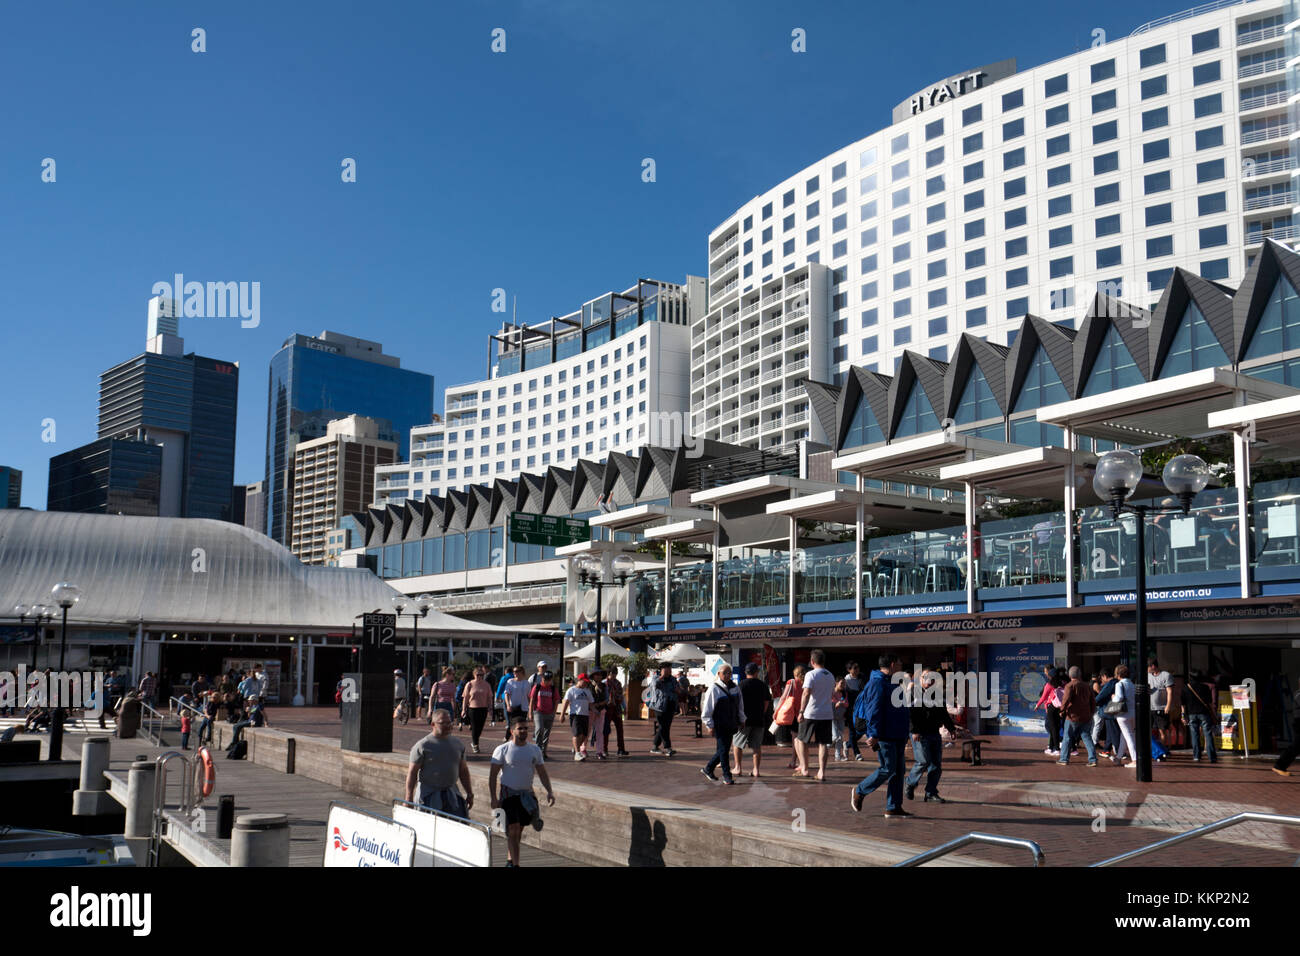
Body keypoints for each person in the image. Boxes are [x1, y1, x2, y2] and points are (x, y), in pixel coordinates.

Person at [850, 654, 912, 818]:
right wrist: (874, 734)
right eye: (900, 662)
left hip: (897, 734)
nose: (901, 666)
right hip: (885, 735)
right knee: (887, 768)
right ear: (892, 664)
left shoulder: (892, 682)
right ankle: (860, 790)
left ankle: (893, 807)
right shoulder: (877, 683)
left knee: (898, 772)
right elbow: (874, 710)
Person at [489, 718, 555, 867]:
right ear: (512, 731)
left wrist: (549, 791)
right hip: (508, 795)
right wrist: (493, 797)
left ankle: (509, 861)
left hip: (527, 796)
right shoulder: (502, 749)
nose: (524, 731)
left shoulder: (534, 750)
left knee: (518, 831)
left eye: (526, 728)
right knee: (512, 829)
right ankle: (516, 865)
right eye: (520, 728)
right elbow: (493, 775)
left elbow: (542, 773)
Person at [404, 709, 473, 818]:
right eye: (443, 723)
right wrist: (408, 798)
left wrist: (469, 793)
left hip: (452, 794)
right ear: (433, 724)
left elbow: (463, 771)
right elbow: (412, 773)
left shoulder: (457, 744)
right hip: (429, 796)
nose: (447, 725)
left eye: (449, 722)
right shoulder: (422, 746)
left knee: (458, 827)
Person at [905, 669, 956, 802]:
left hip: (934, 732)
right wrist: (914, 730)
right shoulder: (913, 694)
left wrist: (951, 729)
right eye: (925, 677)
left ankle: (931, 792)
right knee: (923, 761)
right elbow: (908, 714)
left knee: (936, 765)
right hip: (919, 733)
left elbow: (943, 713)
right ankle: (910, 783)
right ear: (920, 679)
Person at [701, 664, 745, 784]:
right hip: (719, 724)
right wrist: (709, 725)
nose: (727, 675)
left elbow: (740, 705)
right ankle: (727, 776)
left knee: (722, 749)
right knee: (724, 750)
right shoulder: (714, 688)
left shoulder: (735, 688)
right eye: (724, 673)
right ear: (719, 674)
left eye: (729, 673)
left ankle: (708, 768)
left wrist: (742, 719)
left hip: (731, 724)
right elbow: (707, 709)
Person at [795, 649, 835, 781]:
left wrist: (801, 711)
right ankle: (822, 772)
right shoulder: (830, 675)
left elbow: (806, 693)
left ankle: (804, 768)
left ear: (812, 662)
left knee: (802, 740)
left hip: (810, 713)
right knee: (823, 743)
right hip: (826, 713)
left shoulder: (811, 675)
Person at [731, 662, 772, 777]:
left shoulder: (741, 685)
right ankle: (756, 770)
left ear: (745, 672)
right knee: (756, 746)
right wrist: (761, 713)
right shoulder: (763, 685)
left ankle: (738, 768)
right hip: (759, 719)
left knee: (737, 744)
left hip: (744, 720)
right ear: (757, 672)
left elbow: (736, 703)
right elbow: (767, 702)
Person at [1057, 666, 1098, 767]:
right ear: (1079, 674)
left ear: (1069, 675)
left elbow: (1066, 700)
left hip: (1072, 717)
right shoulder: (1087, 686)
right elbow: (1093, 701)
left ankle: (1064, 759)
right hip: (1086, 716)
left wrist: (1061, 711)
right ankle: (1093, 759)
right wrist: (1091, 712)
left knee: (1067, 738)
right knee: (1087, 737)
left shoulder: (1069, 686)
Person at [1181, 669, 1219, 764]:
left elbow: (1183, 704)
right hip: (1204, 714)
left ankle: (1197, 756)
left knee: (1194, 735)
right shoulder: (1205, 687)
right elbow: (1209, 703)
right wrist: (1214, 714)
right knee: (1208, 734)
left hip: (1191, 714)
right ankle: (1212, 757)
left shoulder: (1185, 688)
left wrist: (1183, 715)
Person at [772, 665, 805, 766]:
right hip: (804, 713)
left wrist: (776, 711)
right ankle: (796, 761)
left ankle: (798, 762)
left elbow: (783, 697)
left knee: (795, 738)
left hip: (794, 713)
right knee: (801, 738)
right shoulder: (806, 683)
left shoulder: (791, 682)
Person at [1108, 665, 1139, 768]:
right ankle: (1118, 757)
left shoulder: (1119, 684)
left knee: (1129, 736)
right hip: (1133, 713)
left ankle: (1135, 760)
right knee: (1124, 736)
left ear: (1118, 674)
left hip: (1123, 714)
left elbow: (1119, 698)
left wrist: (1113, 697)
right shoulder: (1132, 684)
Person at [644, 664, 678, 756]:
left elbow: (676, 688)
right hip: (659, 706)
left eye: (670, 670)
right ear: (661, 670)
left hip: (670, 705)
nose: (669, 672)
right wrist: (662, 676)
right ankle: (668, 748)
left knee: (665, 726)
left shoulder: (673, 679)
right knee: (663, 726)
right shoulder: (655, 678)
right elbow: (654, 686)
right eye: (667, 670)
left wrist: (678, 690)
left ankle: (655, 746)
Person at [560, 674, 594, 761]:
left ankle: (576, 747)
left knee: (584, 735)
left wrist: (595, 711)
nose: (586, 684)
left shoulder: (587, 691)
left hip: (585, 715)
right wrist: (562, 714)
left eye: (587, 682)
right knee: (577, 733)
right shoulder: (571, 690)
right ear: (580, 680)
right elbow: (566, 702)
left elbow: (591, 703)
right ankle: (577, 753)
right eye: (585, 682)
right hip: (575, 715)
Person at [1034, 666, 1065, 756]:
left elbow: (1043, 697)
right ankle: (1051, 748)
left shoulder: (1049, 685)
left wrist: (1037, 705)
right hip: (1060, 707)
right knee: (1055, 727)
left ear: (1050, 676)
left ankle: (1056, 749)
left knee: (1053, 728)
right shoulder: (1063, 683)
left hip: (1052, 707)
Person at [461, 667, 493, 754]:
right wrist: (463, 709)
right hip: (473, 708)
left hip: (483, 708)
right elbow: (465, 698)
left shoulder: (486, 685)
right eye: (478, 675)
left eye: (482, 675)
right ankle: (475, 744)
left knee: (480, 727)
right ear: (474, 675)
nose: (480, 676)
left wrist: (490, 708)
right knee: (474, 727)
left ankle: (475, 741)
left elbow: (489, 698)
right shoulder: (469, 684)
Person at [1272, 678, 1300, 776]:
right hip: (1299, 723)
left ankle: (1280, 765)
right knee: (1296, 746)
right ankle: (1279, 766)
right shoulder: (1298, 695)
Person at [528, 670, 558, 759]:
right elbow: (532, 700)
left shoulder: (553, 688)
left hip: (549, 713)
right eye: (545, 679)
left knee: (546, 733)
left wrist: (554, 712)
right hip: (538, 711)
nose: (547, 681)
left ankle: (543, 751)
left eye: (549, 679)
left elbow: (556, 700)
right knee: (539, 729)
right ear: (542, 678)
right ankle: (538, 749)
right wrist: (530, 712)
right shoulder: (537, 687)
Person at [842, 661, 866, 761]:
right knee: (852, 731)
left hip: (861, 708)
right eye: (854, 668)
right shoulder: (845, 681)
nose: (857, 670)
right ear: (849, 670)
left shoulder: (862, 678)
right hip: (850, 710)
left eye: (857, 667)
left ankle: (847, 744)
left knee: (861, 730)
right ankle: (857, 753)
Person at [1147, 659, 1174, 748]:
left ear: (1153, 666)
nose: (1147, 669)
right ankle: (1155, 750)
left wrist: (1168, 706)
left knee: (1162, 730)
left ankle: (1164, 749)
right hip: (1150, 708)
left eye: (1148, 667)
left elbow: (1170, 692)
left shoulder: (1166, 675)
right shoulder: (1148, 676)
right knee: (1150, 730)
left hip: (1161, 708)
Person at [603, 668, 628, 756]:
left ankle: (621, 749)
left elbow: (621, 696)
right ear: (608, 673)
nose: (614, 675)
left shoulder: (618, 683)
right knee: (606, 729)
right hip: (607, 708)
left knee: (620, 728)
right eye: (612, 673)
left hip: (617, 707)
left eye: (615, 673)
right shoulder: (604, 683)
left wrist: (624, 707)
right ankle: (604, 749)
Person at [502, 666, 531, 738]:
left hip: (523, 708)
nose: (515, 673)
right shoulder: (510, 681)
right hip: (513, 707)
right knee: (512, 724)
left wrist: (530, 708)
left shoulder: (526, 683)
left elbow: (529, 696)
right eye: (514, 671)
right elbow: (506, 694)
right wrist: (508, 705)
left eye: (517, 671)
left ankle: (519, 739)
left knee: (521, 725)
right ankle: (506, 738)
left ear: (522, 672)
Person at [588, 669, 609, 759]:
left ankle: (599, 751)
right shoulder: (589, 686)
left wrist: (600, 704)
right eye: (596, 674)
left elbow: (607, 699)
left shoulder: (604, 686)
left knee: (600, 732)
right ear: (593, 676)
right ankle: (582, 749)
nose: (599, 676)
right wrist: (594, 705)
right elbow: (588, 699)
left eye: (600, 675)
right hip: (591, 710)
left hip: (601, 711)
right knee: (587, 731)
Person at [832, 679, 849, 762]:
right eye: (841, 683)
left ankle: (838, 756)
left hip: (841, 717)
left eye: (844, 684)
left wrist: (842, 703)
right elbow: (830, 702)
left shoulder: (844, 693)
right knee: (835, 737)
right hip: (833, 717)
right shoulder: (831, 692)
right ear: (836, 683)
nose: (843, 685)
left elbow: (846, 704)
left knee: (840, 737)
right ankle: (827, 743)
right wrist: (837, 704)